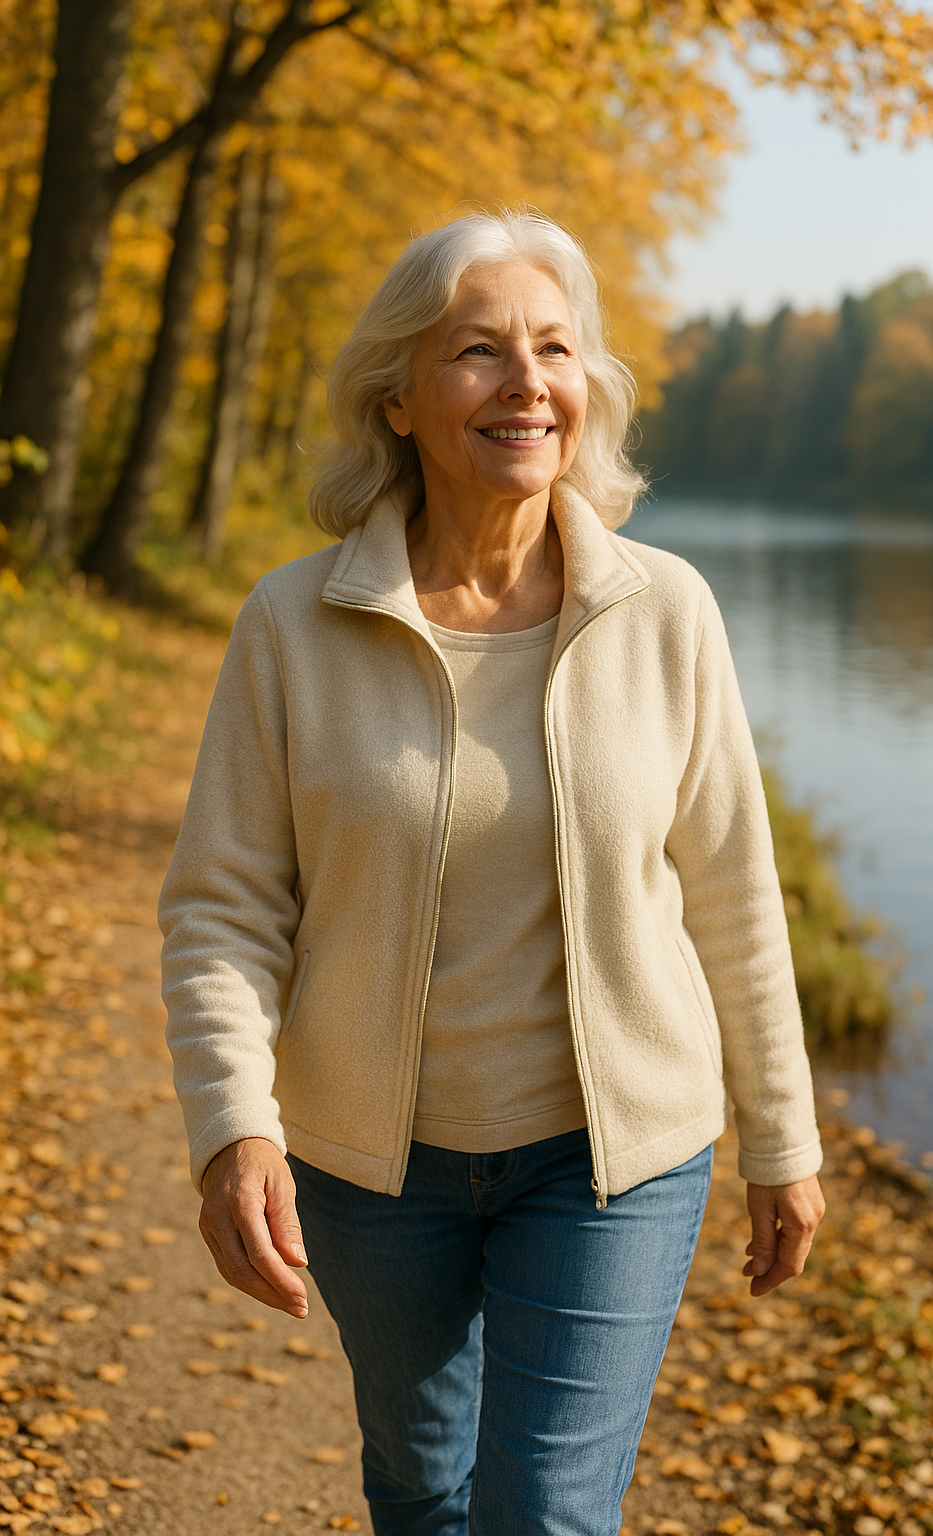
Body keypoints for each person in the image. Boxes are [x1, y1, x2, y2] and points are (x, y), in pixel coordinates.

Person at [159, 210, 825, 1536]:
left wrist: (785, 1137)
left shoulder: (665, 611)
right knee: (418, 1485)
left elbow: (739, 896)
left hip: (610, 1157)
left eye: (555, 349)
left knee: (548, 1513)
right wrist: (232, 1126)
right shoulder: (295, 626)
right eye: (479, 351)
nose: (526, 380)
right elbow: (222, 907)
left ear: (586, 392)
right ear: (397, 399)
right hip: (373, 1165)